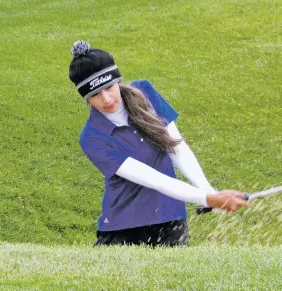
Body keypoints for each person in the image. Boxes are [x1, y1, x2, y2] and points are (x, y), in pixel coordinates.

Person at [68, 40, 249, 247]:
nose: (106, 98)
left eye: (109, 87)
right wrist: (207, 198)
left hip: (170, 219)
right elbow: (153, 179)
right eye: (94, 94)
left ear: (118, 80)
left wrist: (209, 191)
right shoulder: (91, 137)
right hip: (123, 228)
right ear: (86, 99)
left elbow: (176, 147)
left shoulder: (145, 93)